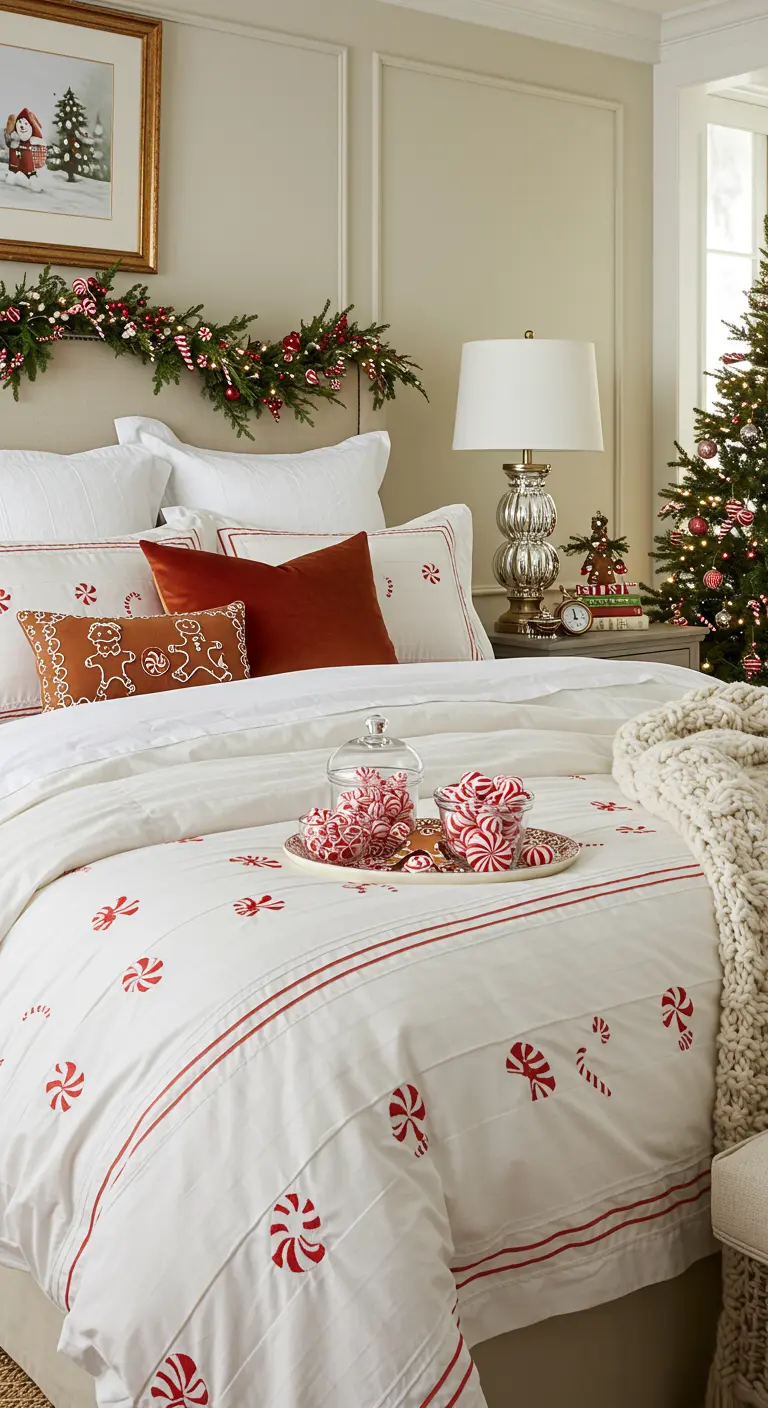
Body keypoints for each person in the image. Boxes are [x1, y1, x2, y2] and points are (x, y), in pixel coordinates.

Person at [5, 109, 47, 192]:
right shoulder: (15, 141)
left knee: (31, 175)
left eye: (25, 123)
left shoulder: (32, 141)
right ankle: (13, 178)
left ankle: (33, 183)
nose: (22, 126)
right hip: (16, 166)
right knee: (13, 174)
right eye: (20, 122)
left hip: (29, 167)